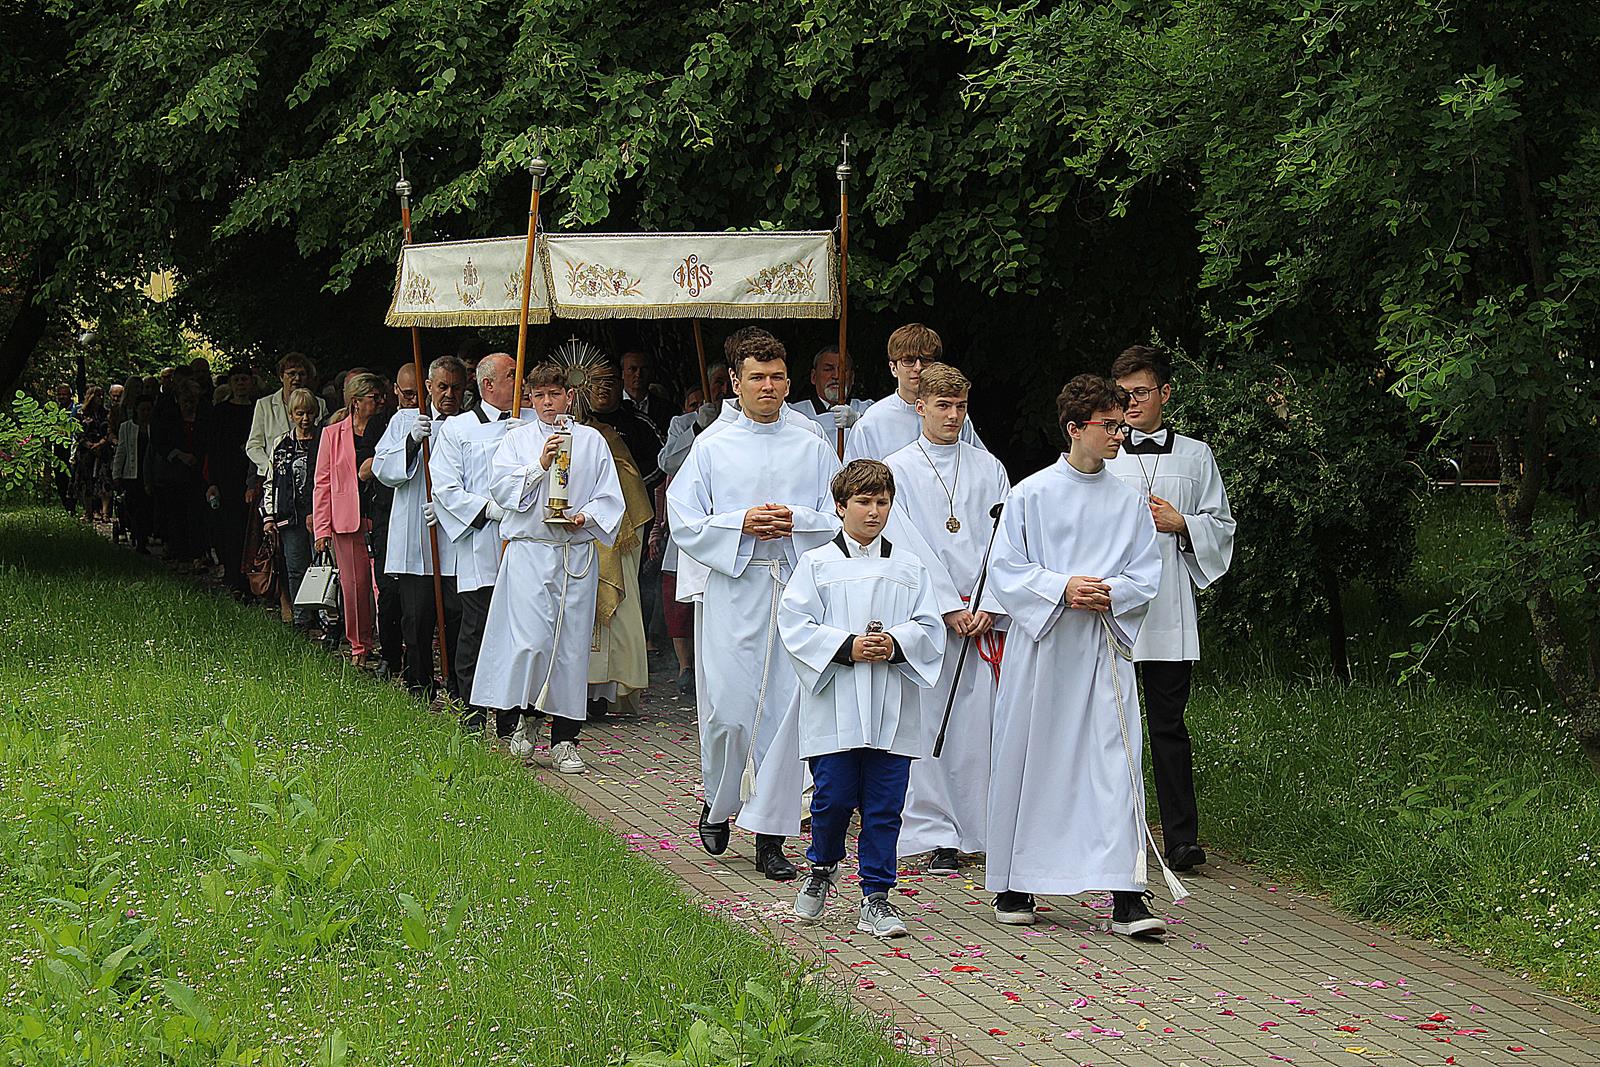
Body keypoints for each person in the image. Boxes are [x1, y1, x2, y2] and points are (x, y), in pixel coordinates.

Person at [984, 374, 1175, 938]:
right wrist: (1061, 587)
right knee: (1032, 758)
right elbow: (1006, 570)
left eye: (1121, 425)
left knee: (1114, 765)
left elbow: (1146, 572)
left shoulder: (1129, 500)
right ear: (1074, 428)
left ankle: (1126, 893)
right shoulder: (1030, 495)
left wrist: (1112, 593)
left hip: (1100, 649)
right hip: (1043, 651)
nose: (1119, 434)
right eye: (1109, 425)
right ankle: (1016, 883)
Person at [666, 330, 841, 881]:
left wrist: (797, 521)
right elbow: (684, 519)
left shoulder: (812, 443)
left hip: (793, 585)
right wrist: (740, 523)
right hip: (734, 587)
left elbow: (835, 513)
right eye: (757, 377)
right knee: (729, 709)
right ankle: (718, 802)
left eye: (777, 377)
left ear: (789, 382)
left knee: (785, 714)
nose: (769, 386)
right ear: (735, 383)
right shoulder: (713, 446)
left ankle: (771, 836)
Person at [782, 460, 945, 937]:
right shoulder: (816, 564)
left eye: (882, 502)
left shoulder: (908, 567)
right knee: (832, 798)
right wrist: (846, 647)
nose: (874, 512)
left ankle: (876, 896)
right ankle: (822, 866)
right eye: (863, 502)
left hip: (892, 703)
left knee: (884, 806)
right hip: (836, 700)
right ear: (840, 506)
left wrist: (895, 643)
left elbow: (930, 626)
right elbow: (795, 625)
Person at [1104, 345, 1235, 873]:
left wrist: (1183, 525)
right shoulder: (1103, 451)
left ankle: (1181, 838)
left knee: (1168, 725)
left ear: (1165, 393)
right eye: (1122, 395)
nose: (1130, 404)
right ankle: (1116, 830)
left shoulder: (1196, 456)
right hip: (1114, 607)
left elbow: (1221, 524)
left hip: (1169, 611)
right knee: (1110, 724)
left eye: (1140, 392)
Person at [883, 364, 1011, 874]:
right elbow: (905, 543)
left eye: (960, 406)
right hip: (930, 615)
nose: (953, 416)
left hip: (981, 616)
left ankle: (981, 827)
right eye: (943, 406)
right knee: (930, 723)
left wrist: (987, 603)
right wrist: (947, 605)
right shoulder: (897, 469)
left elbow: (1007, 538)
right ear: (920, 407)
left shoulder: (989, 467)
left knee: (978, 727)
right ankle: (935, 832)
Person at [471, 362, 624, 771]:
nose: (547, 403)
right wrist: (540, 465)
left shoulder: (591, 441)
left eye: (554, 395)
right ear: (530, 399)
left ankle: (565, 739)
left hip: (574, 553)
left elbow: (609, 496)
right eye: (539, 396)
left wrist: (585, 517)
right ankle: (521, 720)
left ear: (568, 397)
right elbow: (502, 490)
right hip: (531, 552)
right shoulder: (517, 439)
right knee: (531, 642)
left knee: (570, 647)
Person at [430, 352, 518, 731]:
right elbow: (445, 488)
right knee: (477, 630)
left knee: (515, 634)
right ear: (488, 384)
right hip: (481, 543)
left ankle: (511, 718)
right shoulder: (458, 429)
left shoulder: (529, 423)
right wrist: (487, 510)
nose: (520, 381)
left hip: (521, 545)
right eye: (512, 375)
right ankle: (471, 714)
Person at [374, 356, 466, 697]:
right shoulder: (404, 421)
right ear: (429, 387)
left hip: (455, 535)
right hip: (416, 532)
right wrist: (411, 442)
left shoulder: (472, 424)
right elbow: (382, 468)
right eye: (442, 387)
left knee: (456, 615)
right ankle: (420, 685)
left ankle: (458, 687)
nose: (449, 394)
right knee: (416, 617)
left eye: (456, 388)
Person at [580, 370, 655, 721]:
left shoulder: (607, 435)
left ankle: (600, 694)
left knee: (612, 614)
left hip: (607, 532)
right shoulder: (539, 436)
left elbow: (631, 478)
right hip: (560, 536)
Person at [312, 372, 385, 667]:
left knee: (383, 587)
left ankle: (391, 645)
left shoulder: (386, 428)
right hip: (346, 520)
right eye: (374, 398)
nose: (380, 402)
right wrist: (321, 529)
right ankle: (359, 646)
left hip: (380, 516)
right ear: (356, 402)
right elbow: (322, 483)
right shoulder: (332, 434)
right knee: (354, 588)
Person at [844, 325, 986, 462]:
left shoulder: (954, 417)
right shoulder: (871, 422)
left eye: (926, 360)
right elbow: (855, 476)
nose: (918, 367)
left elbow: (978, 464)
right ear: (893, 368)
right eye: (908, 360)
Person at [265, 388, 324, 631]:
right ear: (291, 415)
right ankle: (301, 619)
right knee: (296, 568)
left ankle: (326, 618)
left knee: (323, 567)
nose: (305, 418)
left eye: (309, 413)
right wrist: (269, 516)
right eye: (300, 413)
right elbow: (271, 481)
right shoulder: (281, 444)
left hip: (320, 513)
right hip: (290, 515)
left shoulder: (324, 439)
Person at [205, 365, 261, 597]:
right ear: (230, 383)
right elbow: (213, 448)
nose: (240, 384)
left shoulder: (257, 409)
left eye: (244, 379)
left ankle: (252, 578)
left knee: (251, 528)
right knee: (230, 527)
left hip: (251, 473)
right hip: (226, 476)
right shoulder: (220, 412)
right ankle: (233, 576)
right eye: (236, 380)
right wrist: (212, 481)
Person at [246, 353, 327, 480]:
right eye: (291, 373)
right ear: (281, 376)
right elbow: (253, 445)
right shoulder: (265, 405)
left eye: (302, 374)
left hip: (310, 475)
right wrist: (271, 468)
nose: (297, 378)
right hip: (273, 477)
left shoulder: (320, 404)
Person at [790, 345, 871, 445]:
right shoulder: (795, 413)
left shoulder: (868, 410)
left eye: (843, 370)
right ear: (814, 377)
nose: (836, 376)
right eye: (828, 369)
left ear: (852, 377)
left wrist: (858, 421)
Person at [111, 394, 156, 553]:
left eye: (149, 409)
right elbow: (121, 451)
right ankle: (137, 535)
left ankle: (143, 537)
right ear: (136, 410)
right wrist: (116, 474)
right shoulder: (126, 427)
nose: (146, 413)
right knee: (134, 506)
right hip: (132, 474)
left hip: (150, 473)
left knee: (147, 507)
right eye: (143, 409)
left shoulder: (154, 427)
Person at [73, 386, 112, 521]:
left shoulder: (106, 413)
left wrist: (101, 443)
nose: (100, 398)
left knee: (104, 479)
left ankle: (105, 513)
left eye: (102, 395)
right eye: (97, 395)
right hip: (86, 450)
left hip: (102, 449)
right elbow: (77, 431)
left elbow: (109, 430)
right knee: (86, 480)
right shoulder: (81, 413)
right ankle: (88, 512)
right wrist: (88, 444)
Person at [620, 348, 675, 432]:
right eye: (632, 369)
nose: (638, 374)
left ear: (651, 373)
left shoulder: (667, 409)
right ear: (622, 373)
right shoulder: (612, 406)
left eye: (644, 369)